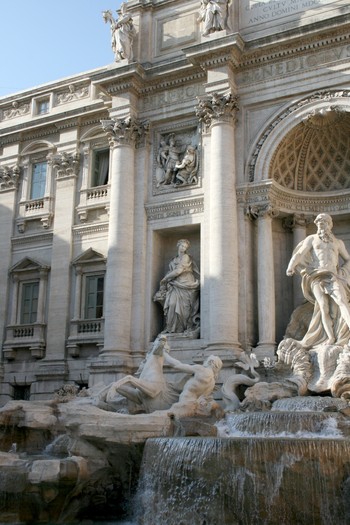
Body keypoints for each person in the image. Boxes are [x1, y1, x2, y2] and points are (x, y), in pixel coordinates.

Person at [286, 213, 350, 347]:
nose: (321, 224)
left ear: (329, 225)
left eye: (324, 222)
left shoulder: (338, 243)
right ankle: (331, 338)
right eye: (319, 222)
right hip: (316, 276)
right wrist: (291, 266)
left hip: (333, 276)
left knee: (341, 301)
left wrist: (343, 272)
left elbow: (348, 259)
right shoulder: (312, 239)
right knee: (323, 306)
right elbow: (299, 253)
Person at [154, 239, 200, 335]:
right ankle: (170, 328)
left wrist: (165, 279)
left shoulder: (186, 257)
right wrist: (167, 280)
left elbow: (178, 271)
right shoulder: (173, 260)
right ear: (178, 246)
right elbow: (172, 271)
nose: (183, 248)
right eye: (182, 246)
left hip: (186, 283)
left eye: (185, 247)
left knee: (185, 308)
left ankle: (181, 329)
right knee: (172, 304)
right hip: (175, 284)